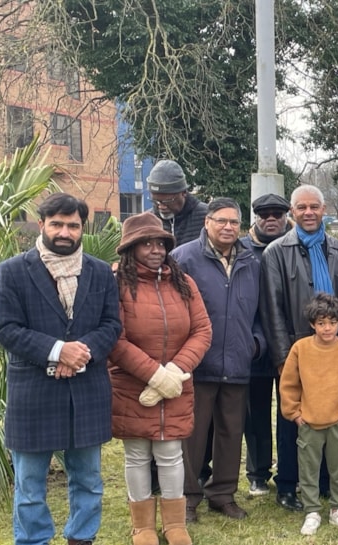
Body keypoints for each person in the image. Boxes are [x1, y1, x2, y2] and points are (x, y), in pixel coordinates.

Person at [0, 193, 122, 545]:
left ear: (83, 228)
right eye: (57, 224)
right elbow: (6, 329)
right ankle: (33, 540)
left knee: (89, 480)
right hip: (34, 392)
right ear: (42, 225)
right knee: (30, 484)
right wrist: (57, 351)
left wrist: (78, 354)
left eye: (73, 225)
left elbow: (111, 325)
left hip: (87, 391)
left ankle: (82, 538)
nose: (65, 232)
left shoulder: (99, 271)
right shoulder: (13, 271)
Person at [110, 213, 213, 545]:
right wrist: (154, 374)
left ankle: (174, 524)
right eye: (146, 243)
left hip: (177, 383)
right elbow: (115, 338)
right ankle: (142, 527)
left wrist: (175, 371)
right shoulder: (117, 283)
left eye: (159, 243)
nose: (155, 249)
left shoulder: (183, 281)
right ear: (131, 248)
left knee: (171, 454)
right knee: (137, 455)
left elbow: (202, 330)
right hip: (131, 385)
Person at [260, 185, 338, 511]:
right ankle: (287, 484)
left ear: (324, 208)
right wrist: (284, 360)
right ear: (292, 212)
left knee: (329, 415)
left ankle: (326, 483)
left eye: (314, 206)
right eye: (302, 207)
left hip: (333, 351)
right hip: (296, 352)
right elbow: (273, 309)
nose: (309, 212)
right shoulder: (275, 252)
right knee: (292, 419)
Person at [172, 198, 265, 522]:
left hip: (239, 362)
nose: (228, 227)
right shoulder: (183, 259)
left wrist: (256, 343)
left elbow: (259, 313)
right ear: (207, 223)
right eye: (221, 221)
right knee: (192, 435)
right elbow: (172, 312)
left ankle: (222, 494)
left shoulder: (252, 261)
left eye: (233, 222)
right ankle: (187, 499)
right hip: (198, 366)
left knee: (230, 432)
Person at [279, 294, 338, 536]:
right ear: (312, 324)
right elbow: (288, 384)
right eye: (321, 323)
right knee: (308, 468)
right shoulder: (300, 349)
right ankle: (312, 511)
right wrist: (295, 413)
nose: (327, 328)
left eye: (331, 322)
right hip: (308, 422)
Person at [241, 193, 294, 497]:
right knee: (256, 414)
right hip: (256, 345)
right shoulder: (243, 249)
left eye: (277, 213)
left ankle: (289, 471)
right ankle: (258, 472)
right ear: (256, 218)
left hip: (289, 342)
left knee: (290, 412)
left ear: (287, 216)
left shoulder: (296, 246)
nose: (271, 219)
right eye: (264, 214)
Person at [147, 159, 208, 247]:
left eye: (167, 201)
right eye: (156, 201)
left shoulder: (208, 217)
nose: (161, 206)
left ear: (184, 193)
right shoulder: (147, 221)